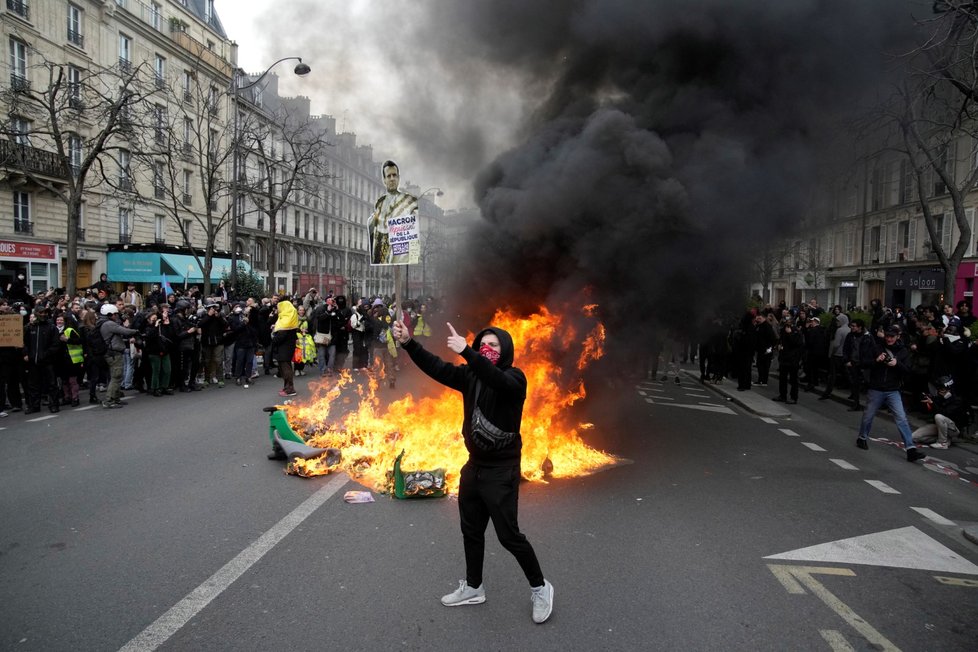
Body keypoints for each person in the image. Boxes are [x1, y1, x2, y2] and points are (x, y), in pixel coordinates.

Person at [391, 319, 554, 624]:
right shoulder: (469, 376)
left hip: (501, 470)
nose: (486, 349)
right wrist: (408, 343)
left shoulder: (515, 378)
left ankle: (541, 587)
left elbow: (496, 379)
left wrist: (467, 351)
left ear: (505, 351)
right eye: (483, 345)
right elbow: (437, 367)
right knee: (471, 531)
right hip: (474, 467)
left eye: (493, 345)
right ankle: (474, 587)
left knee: (509, 536)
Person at [856, 325, 928, 462]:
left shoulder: (903, 351)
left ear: (897, 337)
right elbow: (863, 363)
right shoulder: (877, 347)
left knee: (902, 419)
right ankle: (862, 437)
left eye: (892, 337)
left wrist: (897, 364)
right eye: (887, 336)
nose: (889, 339)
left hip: (893, 390)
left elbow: (908, 371)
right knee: (868, 415)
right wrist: (876, 361)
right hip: (876, 388)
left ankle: (911, 449)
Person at [368, 160, 418, 265]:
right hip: (381, 255)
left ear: (398, 178)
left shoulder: (409, 201)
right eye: (389, 176)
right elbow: (374, 227)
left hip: (400, 255)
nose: (392, 179)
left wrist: (412, 258)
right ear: (384, 180)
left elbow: (413, 233)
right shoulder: (379, 202)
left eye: (394, 175)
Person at [97, 304, 137, 409]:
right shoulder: (109, 324)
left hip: (112, 352)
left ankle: (116, 398)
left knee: (116, 376)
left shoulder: (103, 323)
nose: (116, 316)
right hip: (113, 354)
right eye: (115, 314)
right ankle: (109, 400)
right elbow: (124, 331)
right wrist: (136, 331)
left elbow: (115, 338)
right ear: (110, 314)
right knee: (116, 377)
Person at [912, 376, 968, 449]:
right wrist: (926, 402)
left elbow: (944, 413)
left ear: (949, 390)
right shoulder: (939, 398)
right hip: (939, 426)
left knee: (939, 416)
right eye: (939, 389)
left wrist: (933, 404)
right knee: (914, 437)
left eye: (942, 389)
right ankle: (945, 439)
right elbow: (927, 411)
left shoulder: (957, 400)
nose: (939, 392)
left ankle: (942, 443)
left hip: (954, 429)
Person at [270, 298, 298, 397]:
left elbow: (281, 335)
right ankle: (287, 387)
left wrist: (274, 337)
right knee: (285, 367)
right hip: (286, 347)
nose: (278, 310)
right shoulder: (288, 317)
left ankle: (290, 389)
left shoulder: (286, 319)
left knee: (286, 368)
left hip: (284, 348)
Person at [772, 318, 803, 404]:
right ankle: (782, 395)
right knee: (782, 378)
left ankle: (793, 397)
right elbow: (780, 340)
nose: (787, 325)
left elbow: (797, 343)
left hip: (793, 359)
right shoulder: (783, 331)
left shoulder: (796, 332)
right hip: (784, 358)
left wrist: (790, 334)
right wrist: (778, 346)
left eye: (789, 323)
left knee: (793, 380)